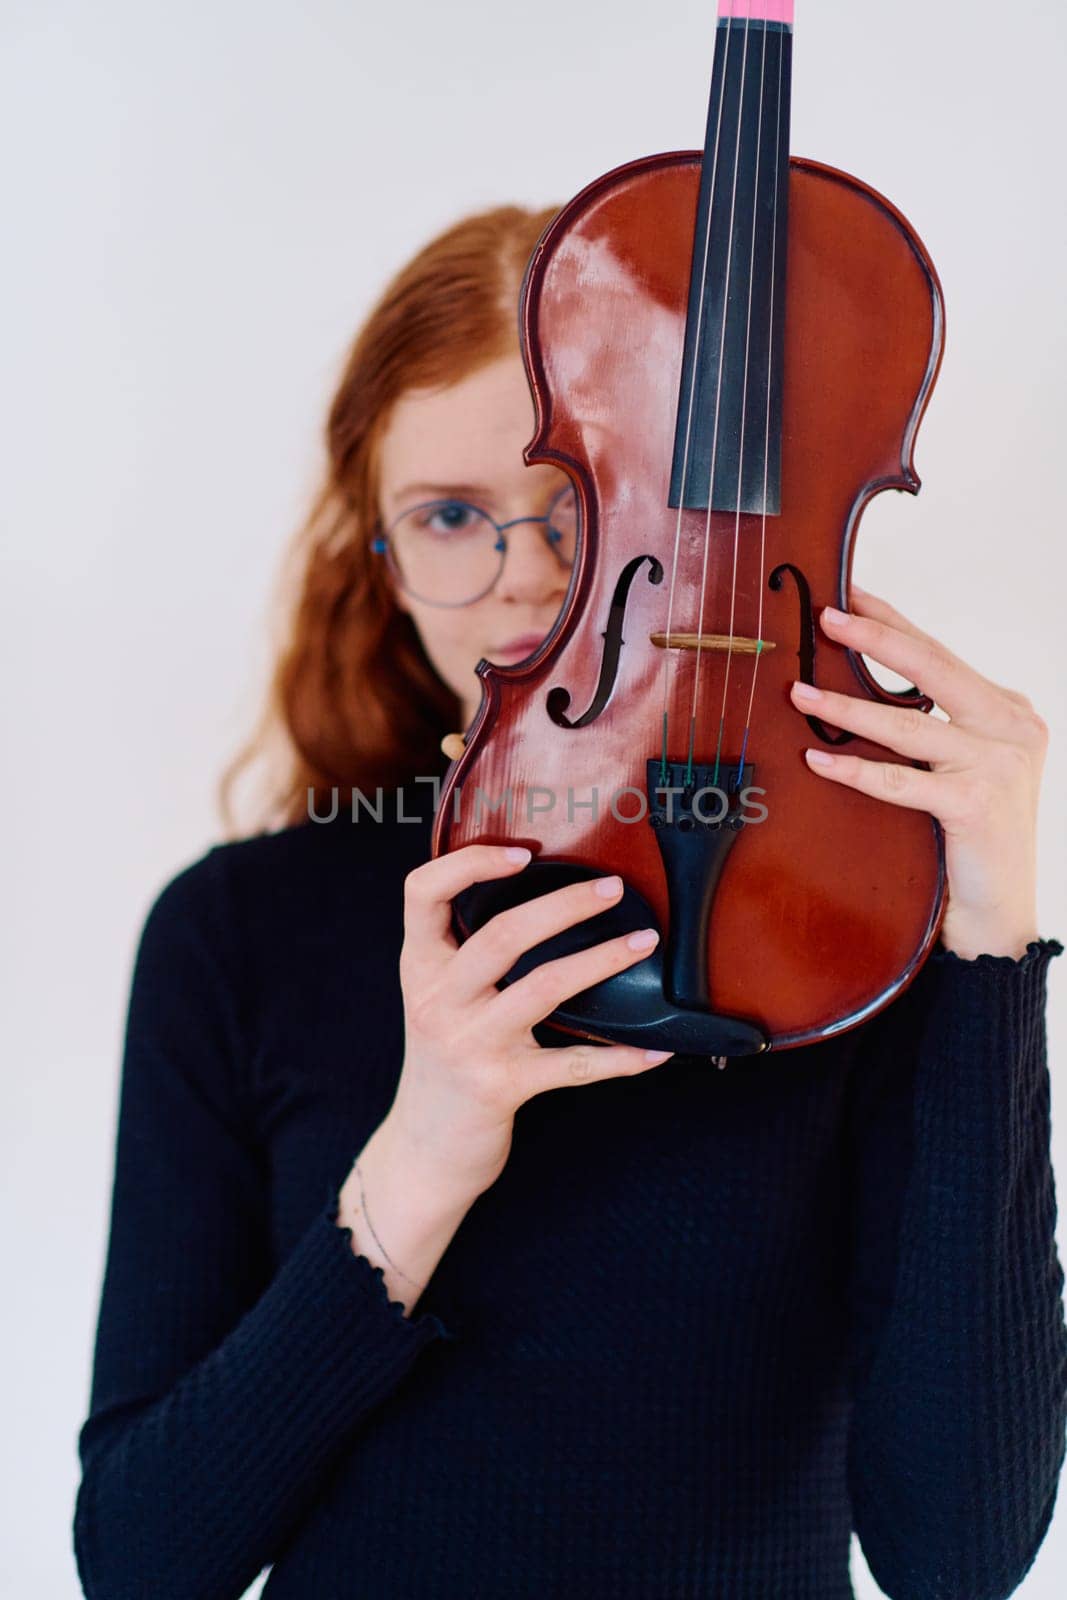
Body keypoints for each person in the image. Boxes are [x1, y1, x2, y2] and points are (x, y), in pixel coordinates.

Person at [73, 204, 1067, 1600]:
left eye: (587, 505)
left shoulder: (854, 939)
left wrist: (989, 932)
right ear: (376, 550)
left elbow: (957, 1558)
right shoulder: (233, 934)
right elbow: (139, 1560)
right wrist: (424, 1154)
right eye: (450, 519)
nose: (530, 580)